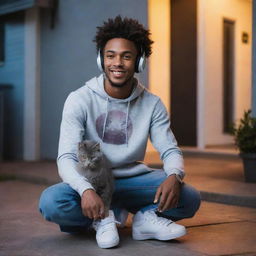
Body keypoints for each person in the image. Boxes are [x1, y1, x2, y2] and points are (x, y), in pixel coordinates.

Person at [39, 15, 201, 249]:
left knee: (189, 198)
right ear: (100, 59)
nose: (117, 63)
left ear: (139, 62)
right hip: (93, 181)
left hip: (135, 180)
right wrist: (85, 190)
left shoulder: (152, 104)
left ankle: (145, 219)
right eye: (110, 55)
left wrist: (174, 175)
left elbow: (169, 149)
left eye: (127, 56)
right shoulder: (79, 99)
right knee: (51, 202)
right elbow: (66, 157)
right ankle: (103, 218)